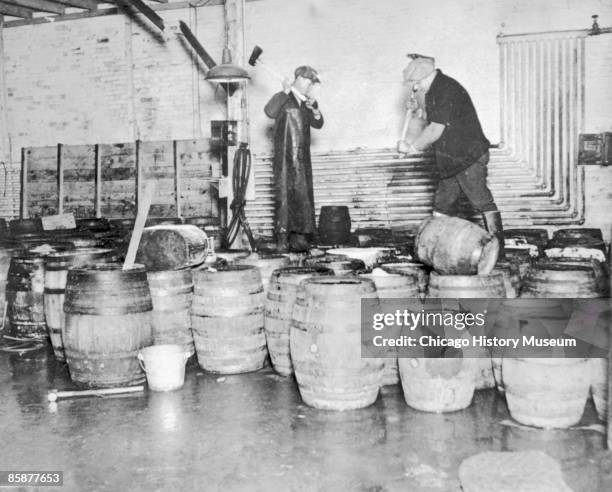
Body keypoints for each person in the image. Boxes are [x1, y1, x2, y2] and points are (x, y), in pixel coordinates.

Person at [397, 56, 505, 259]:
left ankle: (498, 252)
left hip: (468, 156)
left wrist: (411, 148)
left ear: (423, 78)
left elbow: (435, 129)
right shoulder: (433, 89)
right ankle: (436, 251)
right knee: (442, 204)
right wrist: (417, 108)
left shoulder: (447, 90)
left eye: (415, 83)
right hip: (451, 159)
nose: (414, 87)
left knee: (481, 200)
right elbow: (433, 115)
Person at [264, 65, 324, 253]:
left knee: (303, 197)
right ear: (297, 78)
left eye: (312, 82)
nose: (309, 85)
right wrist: (284, 91)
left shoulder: (306, 103)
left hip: (302, 158)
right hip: (284, 157)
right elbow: (270, 111)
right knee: (284, 197)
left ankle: (300, 238)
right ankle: (282, 239)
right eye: (307, 81)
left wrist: (315, 109)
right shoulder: (283, 98)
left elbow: (318, 123)